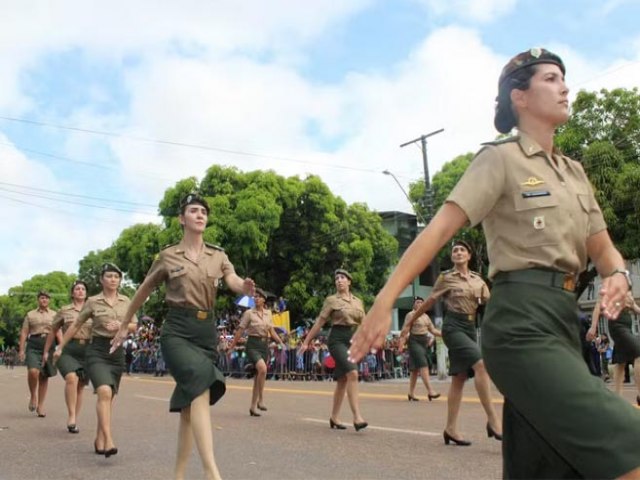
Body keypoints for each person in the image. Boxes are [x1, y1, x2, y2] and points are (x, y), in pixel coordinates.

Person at [349, 48, 640, 478]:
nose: (564, 87)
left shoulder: (575, 173)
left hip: (564, 323)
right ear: (519, 97)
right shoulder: (500, 160)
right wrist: (382, 302)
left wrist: (616, 272)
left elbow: (603, 248)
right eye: (551, 78)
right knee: (627, 440)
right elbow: (436, 232)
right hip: (521, 327)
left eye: (564, 78)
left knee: (548, 469)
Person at [110, 193, 255, 480]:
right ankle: (211, 471)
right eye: (193, 210)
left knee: (190, 409)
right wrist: (125, 322)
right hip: (177, 331)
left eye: (203, 211)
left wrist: (244, 288)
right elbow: (143, 290)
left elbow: (233, 279)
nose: (200, 215)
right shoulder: (167, 256)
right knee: (200, 387)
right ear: (182, 219)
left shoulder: (218, 255)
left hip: (205, 332)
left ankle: (177, 475)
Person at [409, 241, 501, 445]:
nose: (458, 253)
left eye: (462, 250)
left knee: (459, 378)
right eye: (455, 251)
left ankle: (450, 429)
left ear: (469, 255)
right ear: (452, 257)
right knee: (481, 365)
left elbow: (491, 303)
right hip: (452, 326)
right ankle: (493, 420)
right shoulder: (446, 278)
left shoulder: (478, 280)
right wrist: (411, 321)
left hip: (470, 327)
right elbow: (430, 301)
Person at [53, 263, 137, 458]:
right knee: (104, 392)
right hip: (97, 351)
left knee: (108, 399)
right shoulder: (92, 302)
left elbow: (135, 324)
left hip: (116, 353)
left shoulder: (126, 301)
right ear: (101, 280)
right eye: (109, 276)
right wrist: (60, 347)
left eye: (116, 276)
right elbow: (75, 325)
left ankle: (99, 439)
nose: (113, 279)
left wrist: (123, 325)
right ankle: (108, 439)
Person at [299, 269, 367, 431]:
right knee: (353, 373)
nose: (339, 280)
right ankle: (357, 417)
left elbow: (364, 324)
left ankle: (334, 418)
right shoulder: (331, 300)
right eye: (336, 278)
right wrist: (306, 341)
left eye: (342, 278)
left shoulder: (358, 301)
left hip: (352, 339)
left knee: (343, 380)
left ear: (349, 282)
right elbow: (319, 322)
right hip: (336, 339)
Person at [227, 288, 286, 416]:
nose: (256, 298)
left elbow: (272, 331)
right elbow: (240, 331)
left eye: (259, 296)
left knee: (257, 376)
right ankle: (261, 400)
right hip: (253, 345)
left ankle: (253, 407)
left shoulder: (268, 313)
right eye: (255, 296)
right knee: (263, 369)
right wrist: (232, 346)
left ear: (264, 299)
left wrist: (280, 342)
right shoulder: (249, 313)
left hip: (264, 345)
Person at [43, 280, 90, 433]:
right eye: (77, 289)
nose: (80, 291)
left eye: (83, 289)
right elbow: (53, 330)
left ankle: (74, 419)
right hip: (68, 349)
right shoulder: (64, 310)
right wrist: (46, 351)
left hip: (88, 350)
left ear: (86, 293)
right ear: (72, 293)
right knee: (71, 378)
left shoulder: (93, 309)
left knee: (81, 386)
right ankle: (71, 416)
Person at [588, 291, 640, 405]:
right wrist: (593, 327)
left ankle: (616, 397)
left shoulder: (627, 292)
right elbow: (598, 307)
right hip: (617, 327)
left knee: (620, 363)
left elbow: (636, 308)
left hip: (627, 328)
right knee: (638, 353)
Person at [18, 290, 58, 417]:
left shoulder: (55, 315)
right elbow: (24, 332)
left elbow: (58, 332)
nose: (44, 300)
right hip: (34, 344)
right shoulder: (30, 315)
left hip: (49, 344)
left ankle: (40, 406)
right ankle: (33, 396)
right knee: (33, 371)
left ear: (49, 300)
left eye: (46, 298)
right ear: (38, 300)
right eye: (42, 298)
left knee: (44, 376)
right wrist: (21, 350)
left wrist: (61, 348)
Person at [397, 296, 441, 402]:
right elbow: (405, 330)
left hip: (423, 342)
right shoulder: (410, 315)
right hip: (414, 341)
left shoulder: (426, 317)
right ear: (414, 304)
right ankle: (430, 391)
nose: (419, 304)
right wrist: (401, 345)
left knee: (415, 370)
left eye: (421, 302)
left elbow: (433, 330)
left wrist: (444, 334)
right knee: (423, 364)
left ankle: (411, 393)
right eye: (417, 302)